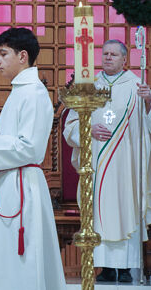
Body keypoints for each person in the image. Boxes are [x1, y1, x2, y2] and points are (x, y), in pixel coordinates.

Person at [0, 27, 66, 290]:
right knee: (6, 260)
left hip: (25, 188)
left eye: (3, 54)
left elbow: (30, 149)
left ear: (23, 56)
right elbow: (11, 143)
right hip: (9, 184)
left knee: (23, 262)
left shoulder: (34, 93)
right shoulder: (18, 93)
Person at [63, 39, 151, 283]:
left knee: (126, 206)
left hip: (127, 164)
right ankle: (104, 267)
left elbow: (147, 126)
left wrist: (148, 102)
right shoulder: (88, 86)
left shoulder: (137, 85)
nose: (108, 57)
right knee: (99, 210)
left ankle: (125, 268)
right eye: (105, 54)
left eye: (114, 54)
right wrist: (88, 130)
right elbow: (70, 126)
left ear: (125, 59)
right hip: (98, 163)